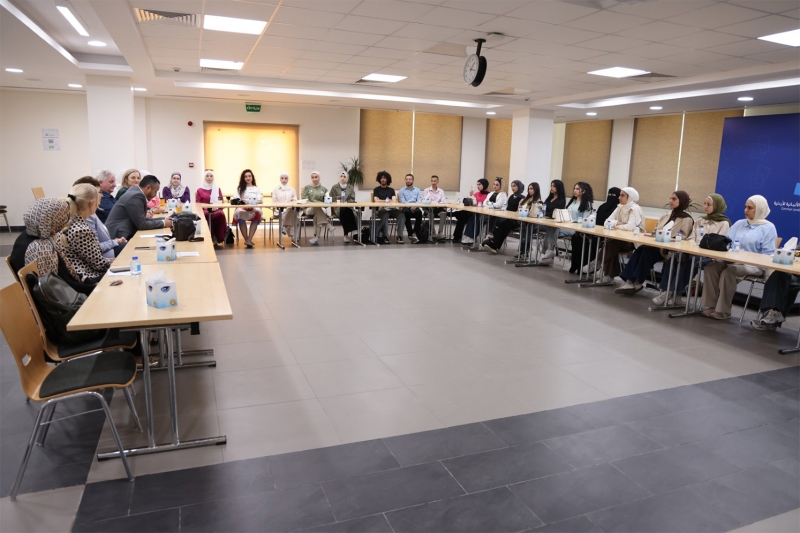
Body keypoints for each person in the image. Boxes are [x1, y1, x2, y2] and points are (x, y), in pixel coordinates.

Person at [701, 195, 777, 320]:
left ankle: (723, 311)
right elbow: (726, 243)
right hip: (732, 261)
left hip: (753, 266)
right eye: (745, 207)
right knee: (711, 268)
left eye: (750, 208)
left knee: (729, 272)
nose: (746, 210)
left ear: (760, 209)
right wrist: (726, 256)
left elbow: (768, 254)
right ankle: (711, 306)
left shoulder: (768, 228)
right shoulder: (739, 224)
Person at [652, 193, 730, 305]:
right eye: (704, 204)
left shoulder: (723, 223)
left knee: (692, 262)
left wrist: (699, 248)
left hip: (711, 256)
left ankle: (670, 292)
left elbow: (718, 243)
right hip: (694, 251)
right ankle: (672, 293)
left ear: (717, 206)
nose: (705, 207)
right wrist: (692, 248)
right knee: (675, 258)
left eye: (709, 204)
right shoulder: (700, 220)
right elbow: (691, 238)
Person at [9, 198, 95, 295]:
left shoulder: (28, 235)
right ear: (51, 220)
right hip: (62, 299)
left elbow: (62, 275)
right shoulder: (41, 248)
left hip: (64, 291)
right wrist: (95, 288)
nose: (66, 221)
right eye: (63, 218)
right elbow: (59, 288)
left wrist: (88, 282)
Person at [615, 190, 694, 295]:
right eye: (670, 198)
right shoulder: (666, 215)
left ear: (682, 201)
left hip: (668, 250)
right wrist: (651, 238)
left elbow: (683, 239)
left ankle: (636, 282)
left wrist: (665, 239)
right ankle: (630, 282)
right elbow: (655, 231)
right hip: (656, 245)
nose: (670, 201)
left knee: (647, 253)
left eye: (674, 199)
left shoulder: (687, 219)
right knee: (641, 249)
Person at [60, 183, 113, 280]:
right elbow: (99, 264)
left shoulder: (71, 222)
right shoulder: (80, 230)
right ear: (91, 204)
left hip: (85, 274)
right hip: (89, 278)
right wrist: (117, 261)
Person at [597, 187, 644, 283]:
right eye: (619, 195)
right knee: (611, 242)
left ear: (630, 197)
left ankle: (598, 263)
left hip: (632, 241)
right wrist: (618, 223)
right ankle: (607, 274)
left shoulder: (635, 209)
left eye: (622, 195)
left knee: (611, 243)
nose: (619, 198)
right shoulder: (620, 207)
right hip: (619, 240)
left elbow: (630, 227)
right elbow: (606, 222)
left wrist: (615, 225)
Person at [106, 174, 173, 240]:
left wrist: (164, 219)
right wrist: (164, 223)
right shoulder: (136, 196)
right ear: (148, 188)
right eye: (155, 191)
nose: (155, 195)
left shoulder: (135, 191)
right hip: (119, 236)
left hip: (122, 233)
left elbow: (142, 219)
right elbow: (142, 224)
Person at [73, 176, 126, 258]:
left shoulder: (90, 213)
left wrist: (115, 241)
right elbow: (95, 248)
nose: (102, 195)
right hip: (103, 259)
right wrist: (115, 242)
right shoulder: (86, 217)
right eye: (99, 192)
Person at [578, 187, 620, 274]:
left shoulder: (618, 209)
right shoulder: (602, 206)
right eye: (609, 194)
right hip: (597, 231)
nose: (611, 196)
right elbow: (596, 220)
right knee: (580, 237)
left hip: (608, 235)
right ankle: (580, 264)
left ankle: (594, 264)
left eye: (613, 195)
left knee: (595, 241)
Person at [482, 180, 526, 254]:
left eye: (514, 186)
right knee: (500, 223)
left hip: (516, 220)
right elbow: (506, 207)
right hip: (509, 218)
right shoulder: (511, 197)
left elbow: (520, 210)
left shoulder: (522, 198)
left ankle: (494, 244)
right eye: (512, 186)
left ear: (519, 187)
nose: (513, 188)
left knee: (504, 225)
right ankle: (493, 242)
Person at [232, 169, 263, 248]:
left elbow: (260, 200)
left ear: (252, 177)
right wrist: (244, 203)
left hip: (253, 208)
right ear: (243, 178)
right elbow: (236, 199)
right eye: (246, 176)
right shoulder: (240, 189)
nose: (248, 178)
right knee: (239, 212)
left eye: (249, 176)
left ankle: (249, 239)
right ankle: (247, 240)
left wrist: (250, 202)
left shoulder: (256, 189)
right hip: (243, 208)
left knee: (258, 212)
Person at [539, 180, 568, 262]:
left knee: (553, 227)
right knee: (551, 228)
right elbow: (543, 209)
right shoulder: (549, 198)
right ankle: (549, 251)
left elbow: (554, 213)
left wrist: (546, 213)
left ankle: (548, 250)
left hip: (554, 223)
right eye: (551, 186)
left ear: (559, 188)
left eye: (554, 186)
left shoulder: (561, 200)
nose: (551, 188)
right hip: (545, 222)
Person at [196, 169, 227, 245]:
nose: (209, 178)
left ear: (213, 177)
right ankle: (209, 237)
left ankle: (218, 237)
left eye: (211, 176)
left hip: (216, 209)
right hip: (205, 209)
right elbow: (197, 203)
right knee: (207, 214)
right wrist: (206, 207)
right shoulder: (200, 190)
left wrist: (217, 207)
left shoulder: (217, 189)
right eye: (207, 176)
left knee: (220, 214)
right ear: (204, 177)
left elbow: (221, 201)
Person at [453, 178, 489, 244]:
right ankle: (457, 237)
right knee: (462, 215)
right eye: (477, 184)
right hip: (473, 212)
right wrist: (471, 196)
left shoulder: (488, 195)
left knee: (472, 218)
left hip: (482, 214)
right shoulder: (476, 194)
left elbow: (485, 205)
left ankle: (470, 237)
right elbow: (472, 203)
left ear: (484, 185)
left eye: (479, 184)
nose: (478, 186)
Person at [330, 172, 358, 243]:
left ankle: (346, 235)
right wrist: (338, 201)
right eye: (341, 176)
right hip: (337, 208)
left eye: (344, 177)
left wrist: (347, 202)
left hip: (348, 207)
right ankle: (354, 231)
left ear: (347, 178)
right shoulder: (334, 187)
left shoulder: (350, 187)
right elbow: (331, 198)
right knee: (345, 210)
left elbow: (353, 198)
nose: (342, 178)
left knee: (347, 210)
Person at [302, 172, 328, 245]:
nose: (314, 179)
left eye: (316, 177)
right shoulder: (307, 187)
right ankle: (327, 224)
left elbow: (327, 202)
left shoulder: (324, 189)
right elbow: (304, 199)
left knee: (317, 215)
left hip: (320, 210)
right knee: (317, 208)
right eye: (312, 177)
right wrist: (315, 204)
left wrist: (322, 204)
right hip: (309, 209)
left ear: (319, 178)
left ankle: (316, 237)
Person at [272, 172, 299, 241]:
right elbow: (274, 202)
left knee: (292, 213)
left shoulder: (292, 189)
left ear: (288, 179)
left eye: (286, 178)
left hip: (289, 209)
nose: (284, 180)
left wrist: (289, 205)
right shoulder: (275, 190)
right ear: (280, 179)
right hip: (279, 210)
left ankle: (284, 226)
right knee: (292, 216)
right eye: (282, 178)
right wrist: (282, 207)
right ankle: (293, 236)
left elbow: (294, 200)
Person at [396, 173, 422, 244]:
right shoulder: (401, 190)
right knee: (406, 213)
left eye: (410, 179)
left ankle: (415, 233)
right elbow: (402, 201)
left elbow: (419, 200)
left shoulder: (417, 190)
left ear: (413, 180)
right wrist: (410, 207)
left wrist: (414, 206)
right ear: (405, 180)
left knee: (419, 213)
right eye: (407, 179)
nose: (408, 180)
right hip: (406, 207)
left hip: (415, 206)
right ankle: (410, 234)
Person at [372, 170, 397, 245]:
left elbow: (394, 200)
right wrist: (388, 200)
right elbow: (376, 200)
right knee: (385, 214)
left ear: (387, 179)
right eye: (381, 178)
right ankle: (385, 236)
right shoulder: (376, 189)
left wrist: (381, 200)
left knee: (402, 215)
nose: (383, 179)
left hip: (391, 209)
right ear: (379, 179)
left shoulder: (391, 190)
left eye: (384, 178)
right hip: (381, 210)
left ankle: (400, 237)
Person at [423, 175, 448, 240]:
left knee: (443, 213)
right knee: (430, 214)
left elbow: (443, 201)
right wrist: (435, 202)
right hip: (430, 208)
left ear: (438, 182)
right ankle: (433, 233)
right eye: (432, 181)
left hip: (439, 208)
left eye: (435, 181)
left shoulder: (441, 191)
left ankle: (440, 233)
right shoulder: (426, 190)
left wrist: (438, 203)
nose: (433, 182)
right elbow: (425, 200)